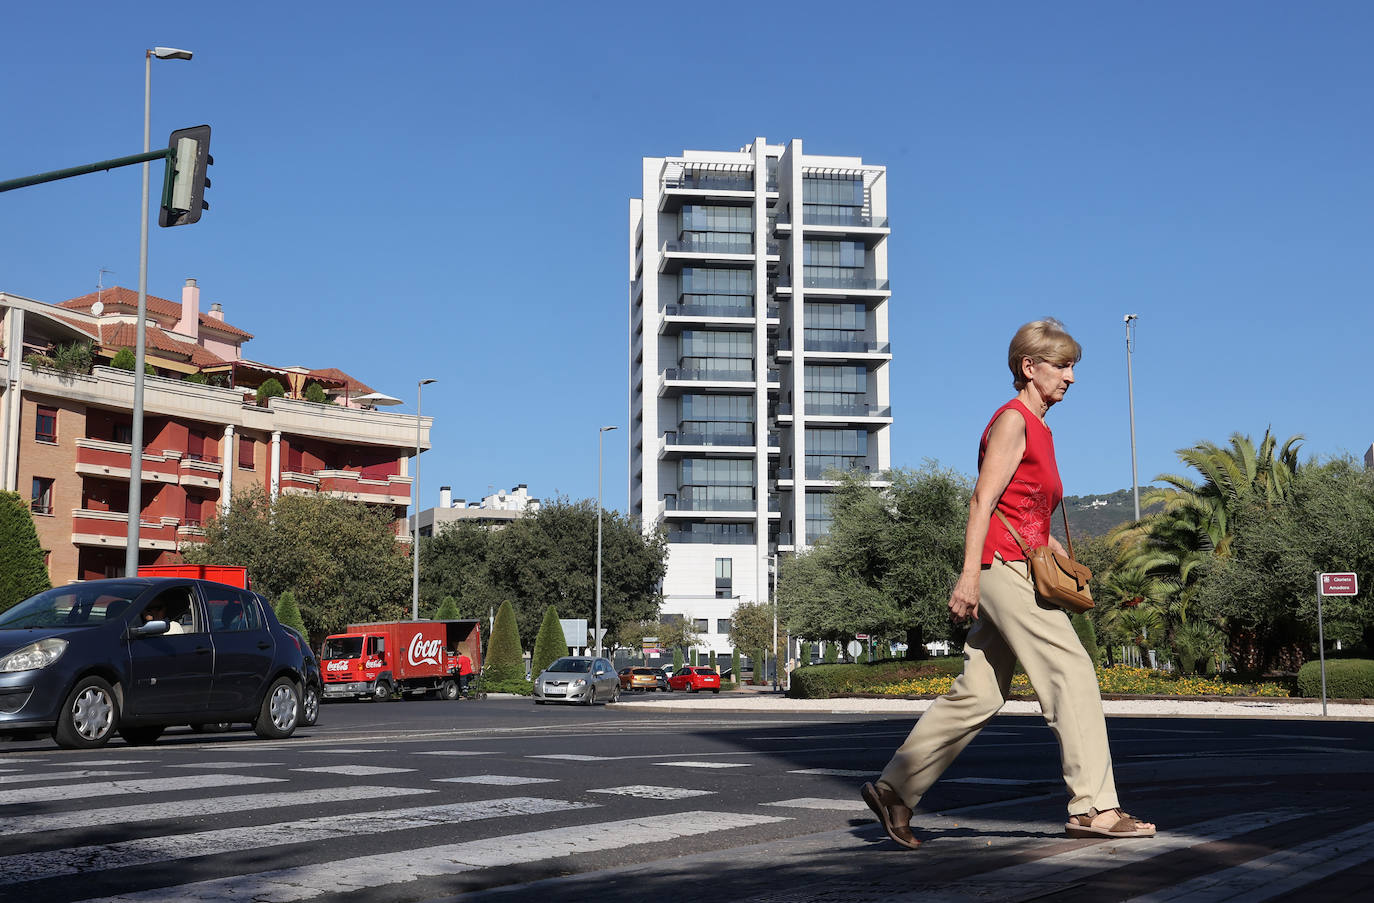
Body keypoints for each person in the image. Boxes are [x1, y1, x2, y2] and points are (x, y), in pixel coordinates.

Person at [862, 318, 1155, 850]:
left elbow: (1025, 508)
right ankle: (1094, 807)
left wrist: (1054, 547)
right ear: (1029, 366)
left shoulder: (1040, 426)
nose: (1071, 377)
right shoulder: (1013, 421)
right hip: (1002, 568)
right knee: (1072, 670)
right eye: (1062, 366)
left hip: (1019, 562)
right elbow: (982, 501)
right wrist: (968, 576)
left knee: (980, 691)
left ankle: (895, 790)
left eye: (1073, 367)